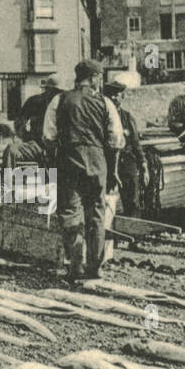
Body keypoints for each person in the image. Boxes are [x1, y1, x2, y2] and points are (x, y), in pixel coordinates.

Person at [43, 58, 124, 284]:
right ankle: (94, 268)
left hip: (68, 161)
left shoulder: (60, 100)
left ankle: (75, 266)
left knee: (70, 212)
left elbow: (49, 137)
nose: (101, 80)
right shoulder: (106, 103)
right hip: (98, 162)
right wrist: (113, 170)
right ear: (95, 77)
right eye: (100, 76)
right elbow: (116, 140)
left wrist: (54, 160)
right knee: (96, 214)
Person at [104, 74, 148, 217]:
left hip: (127, 162)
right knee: (107, 199)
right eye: (111, 96)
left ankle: (135, 234)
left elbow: (136, 143)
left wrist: (143, 165)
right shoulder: (101, 117)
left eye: (117, 95)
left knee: (132, 200)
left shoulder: (127, 117)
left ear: (122, 97)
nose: (114, 98)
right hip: (108, 162)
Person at [4, 75, 62, 168]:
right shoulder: (35, 101)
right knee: (11, 150)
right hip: (37, 145)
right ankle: (7, 181)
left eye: (58, 92)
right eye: (52, 91)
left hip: (59, 149)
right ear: (46, 89)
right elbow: (20, 121)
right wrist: (27, 137)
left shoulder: (67, 104)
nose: (55, 94)